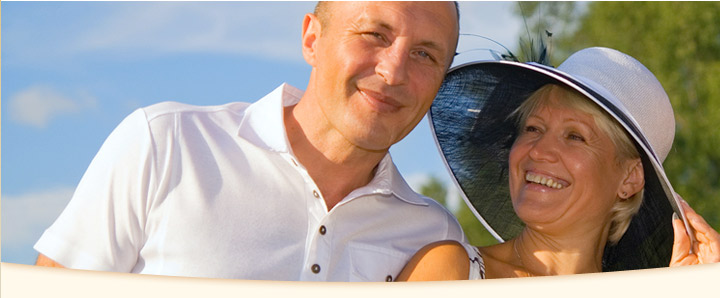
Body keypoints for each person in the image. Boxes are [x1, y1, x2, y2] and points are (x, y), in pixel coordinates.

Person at [33, 1, 466, 281]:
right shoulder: (165, 144)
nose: (394, 71)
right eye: (376, 34)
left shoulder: (433, 236)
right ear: (312, 39)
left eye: (425, 54)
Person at [396, 47, 720, 280]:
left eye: (575, 136)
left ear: (630, 178)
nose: (538, 151)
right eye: (532, 129)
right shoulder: (451, 271)